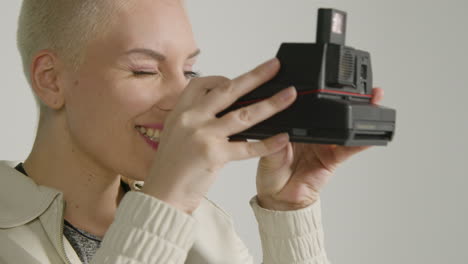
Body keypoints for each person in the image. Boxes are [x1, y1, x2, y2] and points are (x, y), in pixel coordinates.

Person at [0, 0, 384, 263]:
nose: (180, 100)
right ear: (51, 79)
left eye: (189, 73)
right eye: (144, 70)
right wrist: (167, 201)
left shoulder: (205, 224)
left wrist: (289, 211)